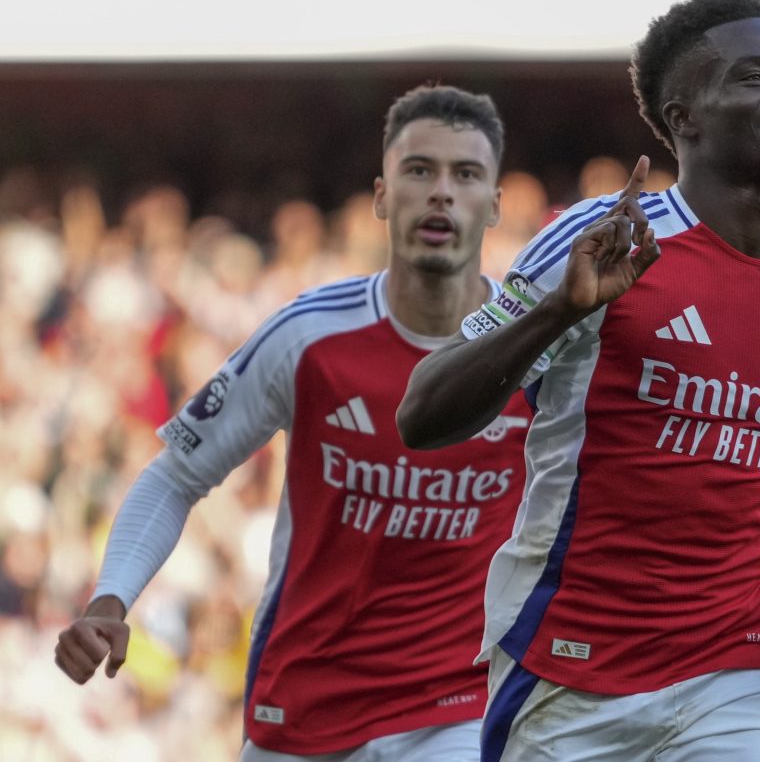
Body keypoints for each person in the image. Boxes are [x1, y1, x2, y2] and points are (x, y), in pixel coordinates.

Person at [397, 0, 760, 761]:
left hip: (738, 667)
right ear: (685, 117)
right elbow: (422, 413)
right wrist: (557, 313)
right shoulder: (608, 237)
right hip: (571, 666)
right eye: (753, 76)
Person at [54, 84, 534, 762]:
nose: (441, 193)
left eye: (466, 174)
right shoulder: (308, 335)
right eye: (419, 170)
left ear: (494, 207)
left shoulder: (538, 346)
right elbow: (176, 476)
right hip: (303, 707)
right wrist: (110, 599)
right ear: (379, 197)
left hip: (454, 710)